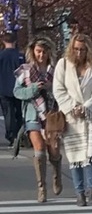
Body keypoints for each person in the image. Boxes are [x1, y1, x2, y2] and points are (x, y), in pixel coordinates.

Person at [54, 34, 92, 207]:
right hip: (71, 117)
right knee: (75, 155)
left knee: (91, 154)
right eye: (75, 49)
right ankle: (79, 192)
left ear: (88, 50)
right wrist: (73, 107)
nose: (79, 53)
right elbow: (58, 89)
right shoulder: (63, 65)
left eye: (82, 50)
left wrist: (86, 107)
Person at [12, 39, 62, 202]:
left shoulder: (55, 71)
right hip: (32, 114)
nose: (41, 55)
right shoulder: (25, 71)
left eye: (44, 52)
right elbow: (17, 92)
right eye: (38, 51)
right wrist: (33, 89)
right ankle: (42, 188)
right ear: (33, 51)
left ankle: (57, 175)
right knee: (39, 148)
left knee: (53, 150)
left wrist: (50, 89)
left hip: (51, 115)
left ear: (49, 53)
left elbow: (63, 91)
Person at [0, 33, 24, 147]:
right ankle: (20, 133)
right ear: (15, 41)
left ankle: (11, 135)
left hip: (3, 88)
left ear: (3, 42)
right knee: (19, 112)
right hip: (19, 87)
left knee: (8, 113)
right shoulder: (20, 56)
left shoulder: (1, 55)